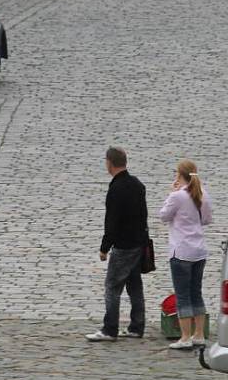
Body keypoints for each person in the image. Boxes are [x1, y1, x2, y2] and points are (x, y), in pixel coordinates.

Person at [86, 147, 148, 342]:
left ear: (110, 163)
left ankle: (109, 329)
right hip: (139, 244)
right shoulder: (137, 184)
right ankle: (137, 327)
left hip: (123, 246)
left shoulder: (116, 189)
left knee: (112, 287)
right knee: (135, 286)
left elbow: (111, 222)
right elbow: (143, 215)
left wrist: (104, 248)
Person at [159, 159, 213, 350]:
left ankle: (185, 336)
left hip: (181, 250)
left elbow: (163, 215)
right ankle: (199, 334)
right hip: (199, 250)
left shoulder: (178, 196)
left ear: (179, 175)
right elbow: (206, 219)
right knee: (196, 293)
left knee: (183, 295)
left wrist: (171, 193)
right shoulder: (203, 194)